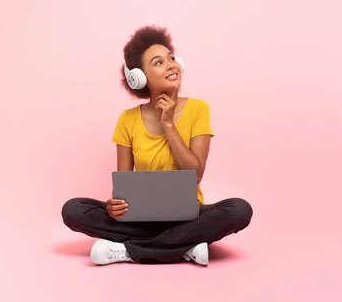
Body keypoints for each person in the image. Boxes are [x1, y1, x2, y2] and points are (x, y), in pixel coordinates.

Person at [61, 25, 253, 266]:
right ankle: (184, 246)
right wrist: (115, 204)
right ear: (140, 77)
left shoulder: (198, 109)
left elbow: (195, 175)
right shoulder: (127, 119)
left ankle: (129, 251)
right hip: (140, 217)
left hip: (188, 215)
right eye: (159, 62)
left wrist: (169, 124)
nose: (171, 64)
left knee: (238, 210)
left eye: (172, 58)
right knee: (74, 209)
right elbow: (122, 185)